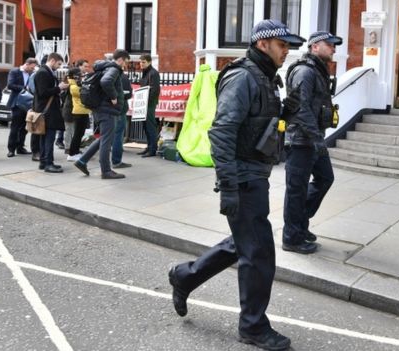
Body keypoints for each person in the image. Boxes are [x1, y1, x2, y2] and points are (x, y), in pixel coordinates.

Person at [167, 19, 305, 351]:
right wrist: (228, 185)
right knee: (258, 253)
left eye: (288, 46)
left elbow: (255, 125)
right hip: (243, 178)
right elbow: (223, 131)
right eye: (282, 45)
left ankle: (185, 276)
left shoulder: (265, 77)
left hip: (255, 174)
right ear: (263, 44)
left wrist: (285, 111)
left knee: (244, 243)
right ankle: (253, 327)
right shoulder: (244, 76)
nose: (287, 51)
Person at [281, 31, 341, 255]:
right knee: (296, 189)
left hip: (313, 139)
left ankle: (300, 223)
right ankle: (291, 237)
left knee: (326, 178)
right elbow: (301, 108)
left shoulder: (318, 70)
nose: (334, 49)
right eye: (330, 45)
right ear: (315, 47)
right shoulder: (305, 72)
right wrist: (317, 140)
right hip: (300, 141)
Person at [73, 49, 129, 179]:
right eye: (125, 62)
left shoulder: (104, 67)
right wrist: (114, 96)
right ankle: (106, 170)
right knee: (106, 141)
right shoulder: (114, 69)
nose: (125, 65)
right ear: (120, 59)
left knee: (103, 138)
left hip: (100, 108)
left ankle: (82, 161)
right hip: (107, 110)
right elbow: (106, 82)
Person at [33, 52, 69, 173]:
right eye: (58, 64)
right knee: (49, 138)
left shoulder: (45, 71)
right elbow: (43, 92)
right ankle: (48, 163)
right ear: (52, 60)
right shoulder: (43, 72)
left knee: (45, 138)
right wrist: (59, 88)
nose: (58, 67)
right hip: (47, 111)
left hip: (46, 110)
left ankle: (44, 162)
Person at [6, 57, 38, 157]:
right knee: (15, 127)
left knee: (25, 127)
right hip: (17, 103)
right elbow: (10, 85)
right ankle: (11, 149)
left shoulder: (32, 74)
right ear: (27, 64)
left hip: (27, 104)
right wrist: (24, 88)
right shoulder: (14, 71)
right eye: (32, 68)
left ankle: (20, 147)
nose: (33, 70)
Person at [65, 67, 91, 161]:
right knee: (77, 134)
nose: (80, 76)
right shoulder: (73, 86)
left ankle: (75, 152)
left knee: (80, 133)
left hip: (82, 111)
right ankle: (72, 154)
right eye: (78, 75)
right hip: (79, 111)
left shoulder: (76, 84)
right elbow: (83, 93)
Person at [137, 54, 160, 158]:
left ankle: (152, 149)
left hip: (149, 104)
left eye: (144, 62)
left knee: (150, 126)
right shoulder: (146, 73)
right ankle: (149, 147)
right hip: (144, 105)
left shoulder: (153, 73)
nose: (141, 64)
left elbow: (155, 90)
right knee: (145, 126)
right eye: (140, 62)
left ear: (150, 62)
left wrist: (145, 102)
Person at [111, 71, 132, 168]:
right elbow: (128, 94)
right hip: (120, 109)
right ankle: (116, 161)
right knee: (118, 135)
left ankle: (85, 159)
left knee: (108, 135)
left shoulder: (106, 75)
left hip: (108, 109)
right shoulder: (122, 77)